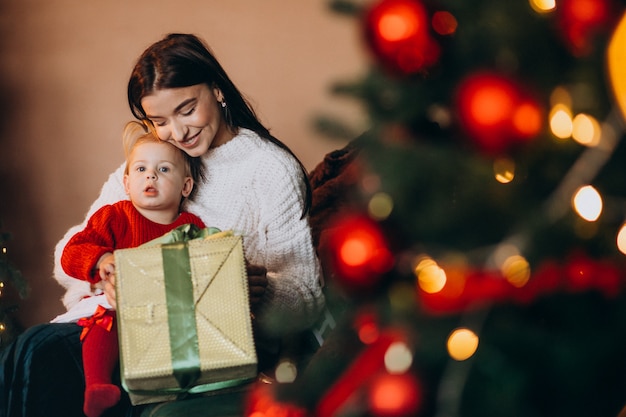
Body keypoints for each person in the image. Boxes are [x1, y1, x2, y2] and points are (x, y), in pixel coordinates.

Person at [0, 33, 325, 417]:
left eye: (187, 110)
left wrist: (258, 289)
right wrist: (108, 273)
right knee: (29, 351)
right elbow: (72, 249)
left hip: (211, 347)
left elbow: (307, 297)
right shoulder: (152, 160)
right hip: (124, 331)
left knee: (42, 351)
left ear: (217, 90)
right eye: (159, 121)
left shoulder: (268, 170)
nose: (178, 133)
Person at [61, 121, 206, 417]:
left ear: (186, 186)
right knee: (105, 320)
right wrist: (102, 261)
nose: (151, 175)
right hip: (120, 302)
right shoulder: (114, 217)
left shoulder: (191, 226)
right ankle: (98, 384)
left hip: (168, 308)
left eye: (164, 169)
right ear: (127, 183)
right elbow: (72, 253)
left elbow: (207, 263)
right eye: (140, 169)